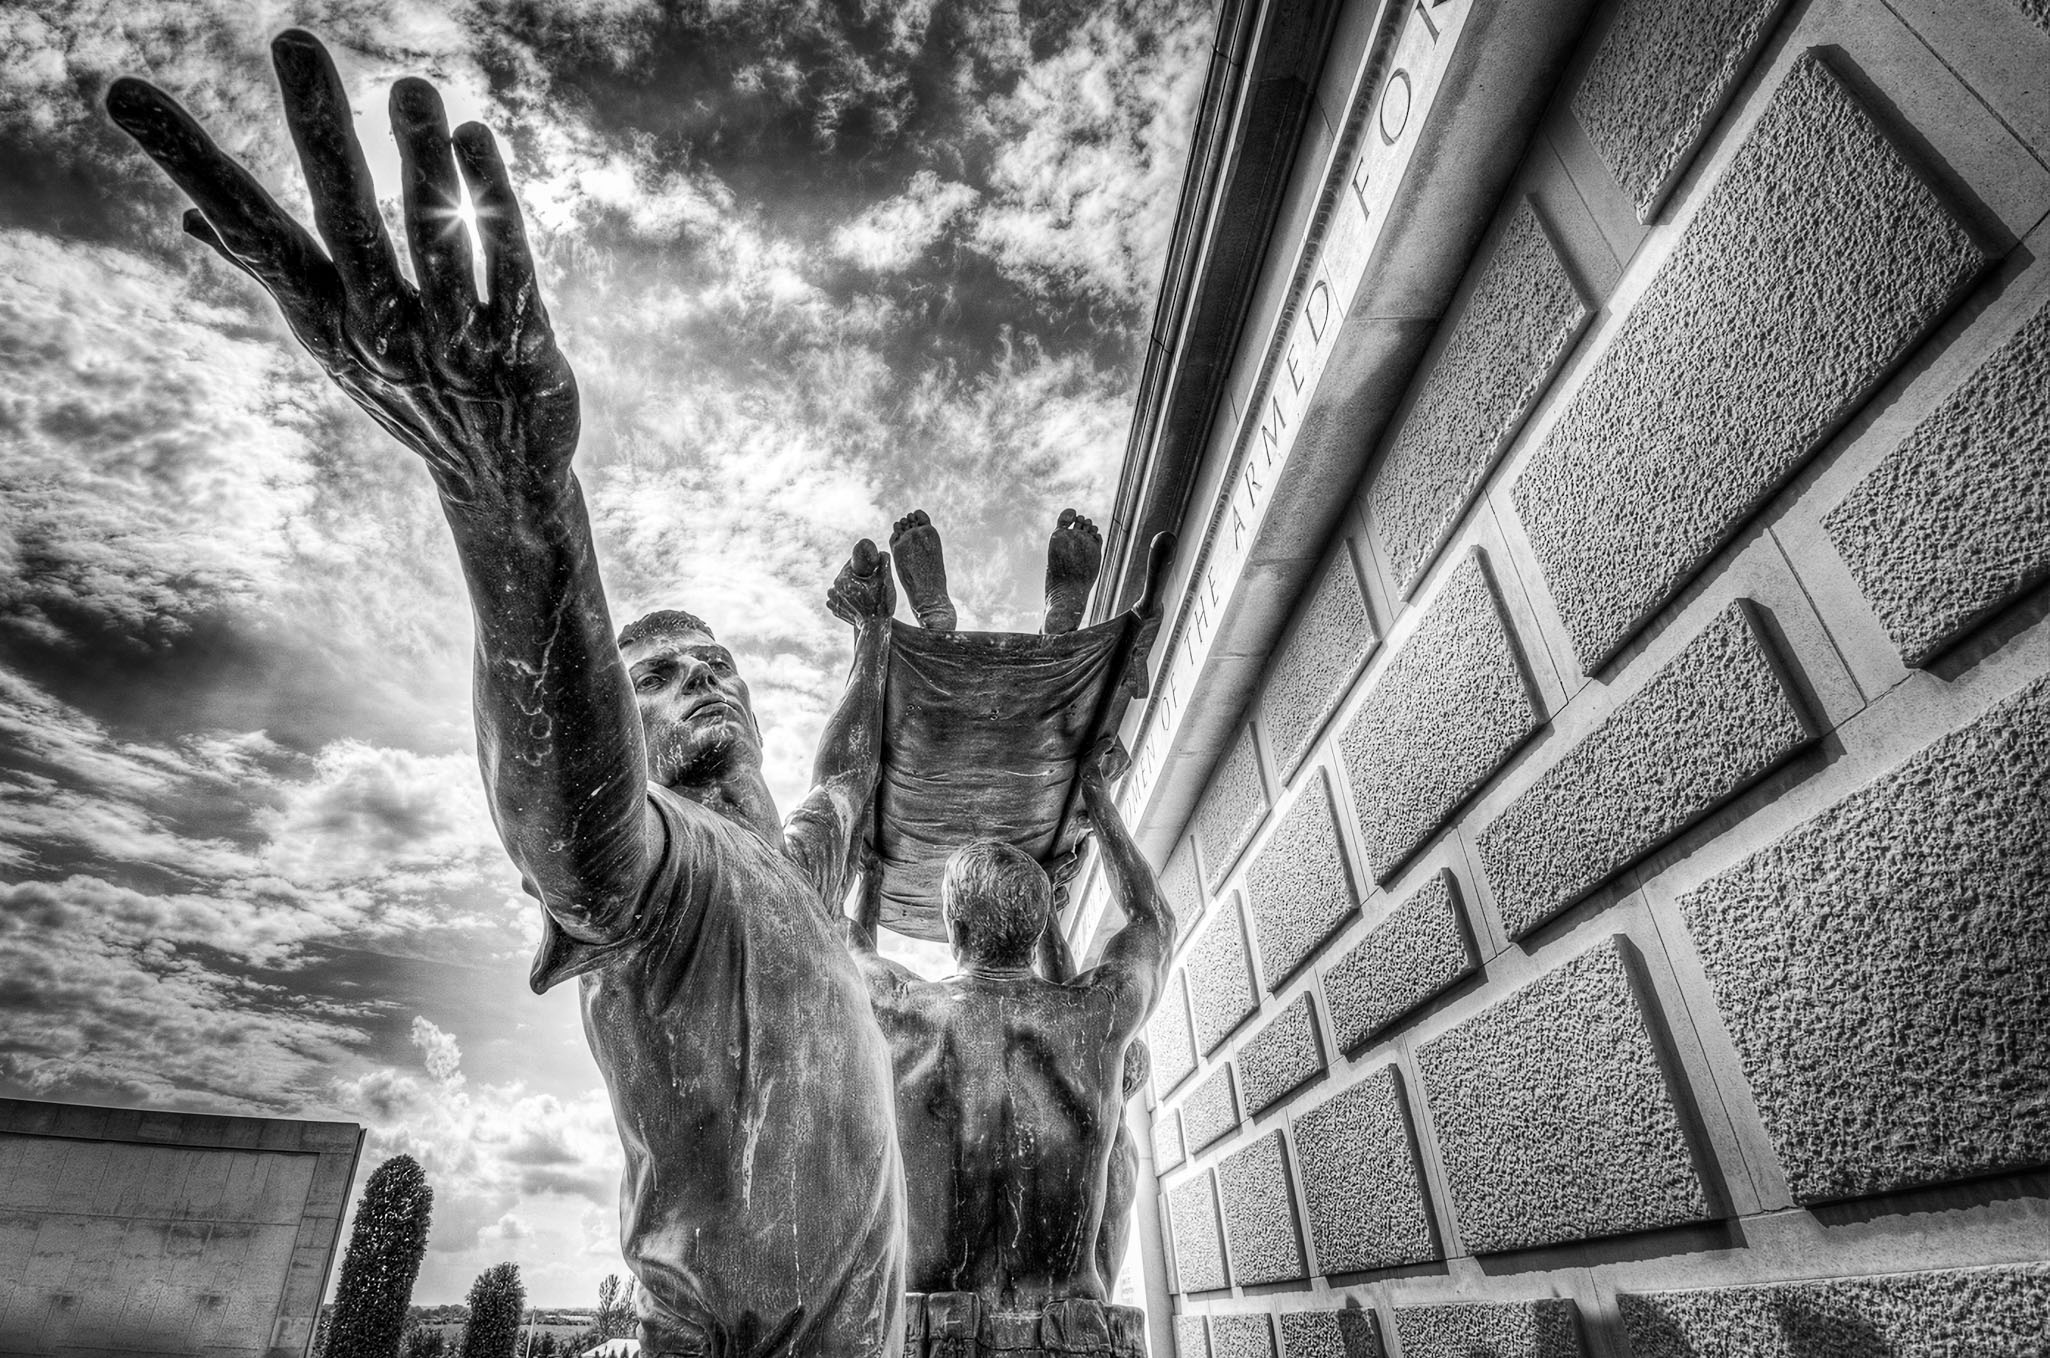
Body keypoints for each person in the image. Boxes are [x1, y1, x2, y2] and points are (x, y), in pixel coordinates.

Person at [106, 35, 904, 1357]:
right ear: (621, 714)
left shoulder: (794, 871)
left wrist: (874, 637)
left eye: (717, 664)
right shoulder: (655, 874)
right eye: (653, 671)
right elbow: (570, 799)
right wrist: (511, 502)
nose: (697, 676)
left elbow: (850, 772)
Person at [843, 741, 1174, 1313]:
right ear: (1038, 925)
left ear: (955, 927)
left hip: (932, 1336)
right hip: (1071, 1340)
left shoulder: (901, 1010)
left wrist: (866, 866)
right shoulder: (1093, 1016)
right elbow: (1153, 920)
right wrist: (1096, 796)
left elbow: (838, 934)